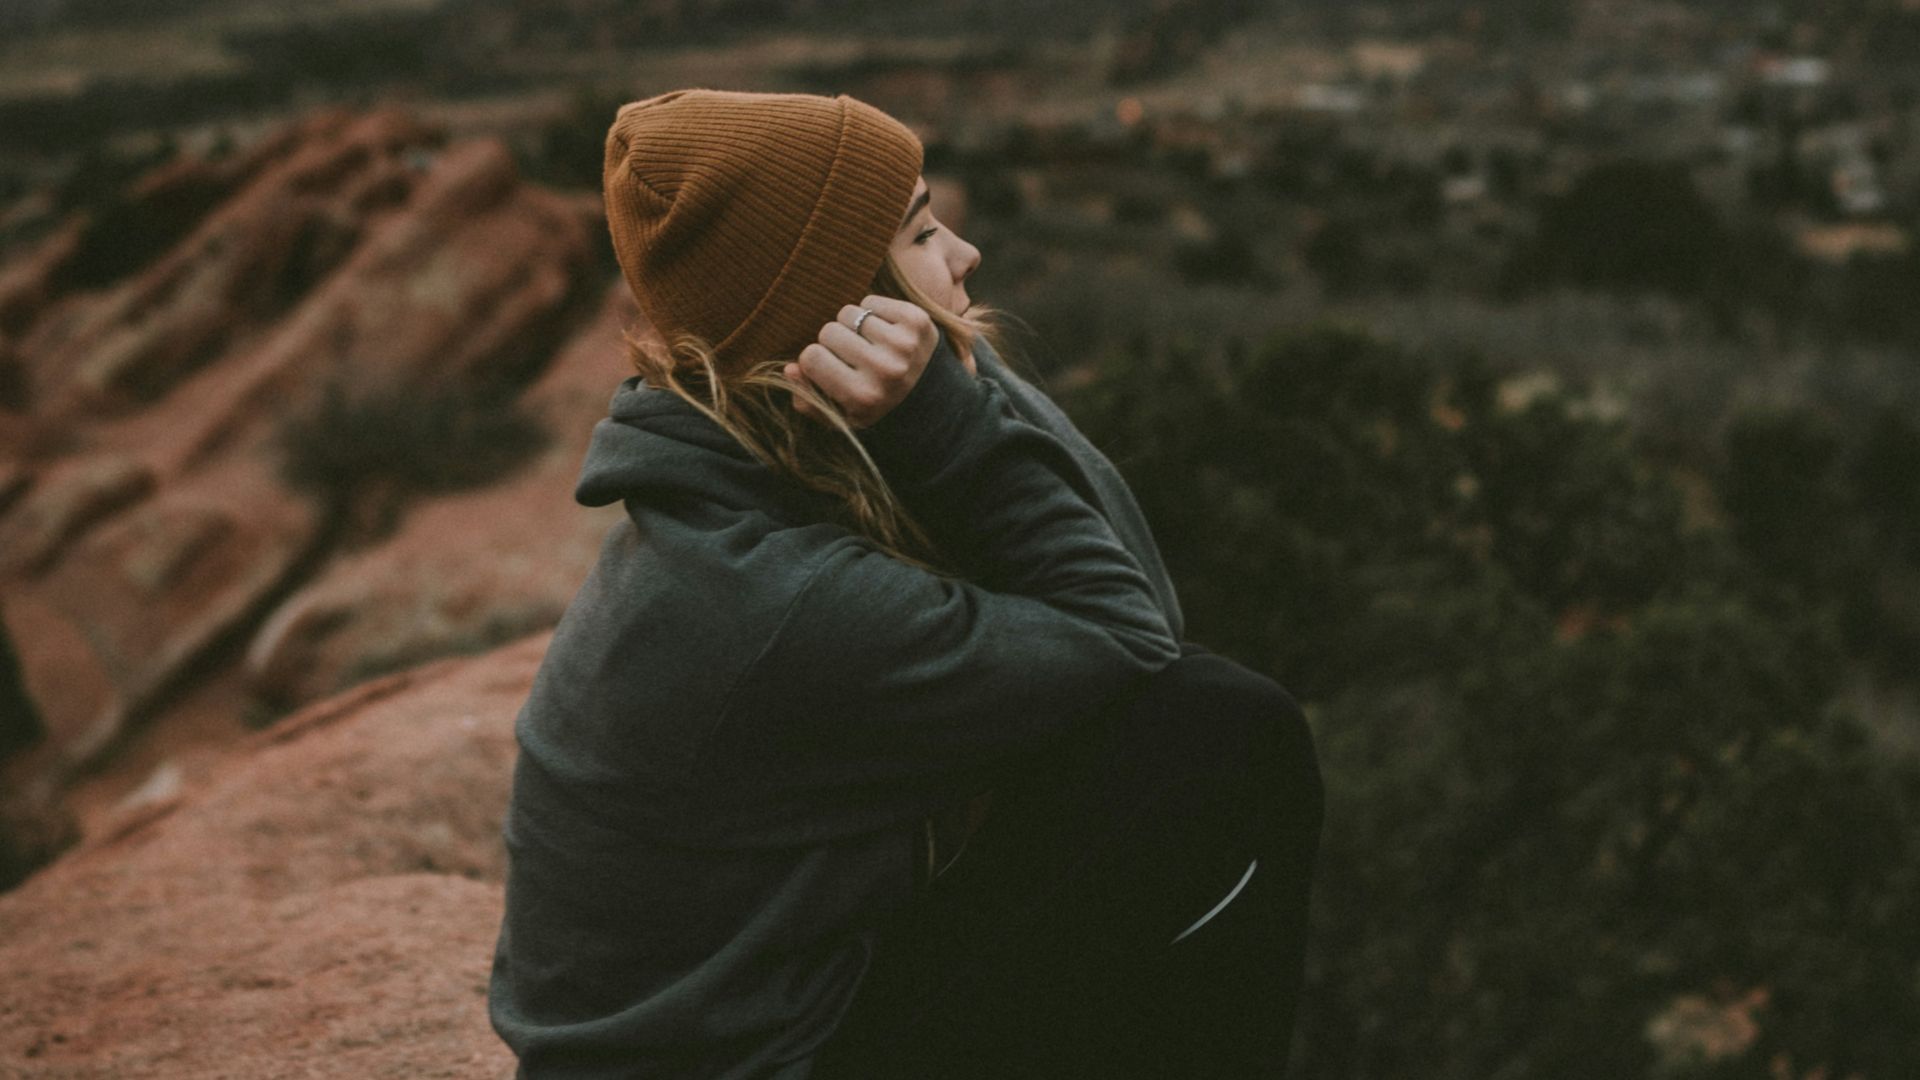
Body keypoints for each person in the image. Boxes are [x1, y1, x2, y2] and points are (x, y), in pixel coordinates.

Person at [487, 88, 1323, 1079]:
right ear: (842, 313)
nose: (965, 253)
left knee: (1189, 727)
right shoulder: (772, 601)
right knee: (1226, 735)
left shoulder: (753, 467)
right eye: (924, 232)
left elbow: (1142, 603)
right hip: (747, 1063)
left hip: (775, 1012)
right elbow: (1135, 641)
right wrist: (948, 415)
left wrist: (948, 374)